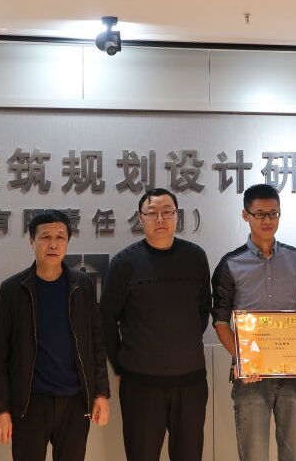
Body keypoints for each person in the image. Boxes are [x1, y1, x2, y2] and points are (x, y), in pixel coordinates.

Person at [0, 210, 111, 461]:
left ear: (68, 242)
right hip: (30, 402)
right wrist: (1, 410)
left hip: (75, 401)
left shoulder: (83, 286)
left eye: (60, 237)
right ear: (31, 241)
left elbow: (96, 343)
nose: (53, 244)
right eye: (45, 237)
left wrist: (100, 393)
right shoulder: (12, 290)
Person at [101, 188, 212, 461]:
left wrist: (179, 343)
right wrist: (120, 366)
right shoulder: (124, 263)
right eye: (152, 213)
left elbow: (202, 310)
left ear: (177, 216)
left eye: (167, 212)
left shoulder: (196, 257)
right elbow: (106, 320)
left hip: (190, 382)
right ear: (141, 218)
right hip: (140, 385)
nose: (160, 219)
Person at [211, 183, 296, 461]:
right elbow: (220, 322)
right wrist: (243, 359)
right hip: (251, 378)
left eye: (274, 213)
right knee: (254, 455)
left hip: (293, 376)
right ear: (245, 215)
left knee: (295, 454)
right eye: (260, 214)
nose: (268, 220)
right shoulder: (231, 263)